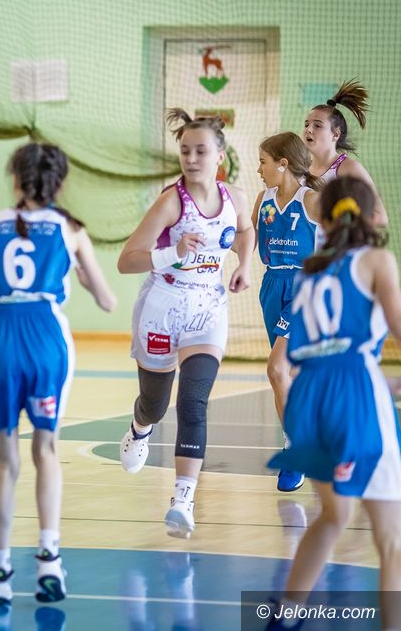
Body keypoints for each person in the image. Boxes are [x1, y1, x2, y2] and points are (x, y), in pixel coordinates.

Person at [0, 143, 115, 607]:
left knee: (5, 461)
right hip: (46, 337)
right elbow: (107, 301)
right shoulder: (71, 229)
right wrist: (83, 274)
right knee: (46, 449)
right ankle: (49, 561)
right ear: (59, 182)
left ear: (15, 179)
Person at [265, 177, 401, 631]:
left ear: (322, 220)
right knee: (392, 539)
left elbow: (317, 350)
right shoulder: (378, 260)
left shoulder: (310, 269)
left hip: (310, 395)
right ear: (372, 216)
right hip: (355, 392)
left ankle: (285, 617)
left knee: (333, 515)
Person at [116, 110, 255, 538]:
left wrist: (244, 265)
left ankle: (182, 500)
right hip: (163, 306)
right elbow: (126, 261)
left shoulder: (235, 198)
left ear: (220, 156)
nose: (192, 159)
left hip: (208, 309)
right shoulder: (170, 202)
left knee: (194, 403)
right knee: (155, 405)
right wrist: (172, 252)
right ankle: (140, 428)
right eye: (185, 151)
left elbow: (245, 231)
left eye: (201, 151)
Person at [253, 132, 324, 493]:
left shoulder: (311, 201)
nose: (259, 169)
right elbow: (245, 237)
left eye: (263, 162)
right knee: (288, 376)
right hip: (272, 286)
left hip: (303, 289)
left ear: (282, 164)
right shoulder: (263, 200)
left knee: (276, 368)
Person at [303, 79, 387, 226]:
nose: (308, 129)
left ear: (335, 134)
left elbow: (380, 217)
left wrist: (339, 227)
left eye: (317, 125)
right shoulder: (302, 168)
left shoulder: (349, 168)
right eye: (306, 124)